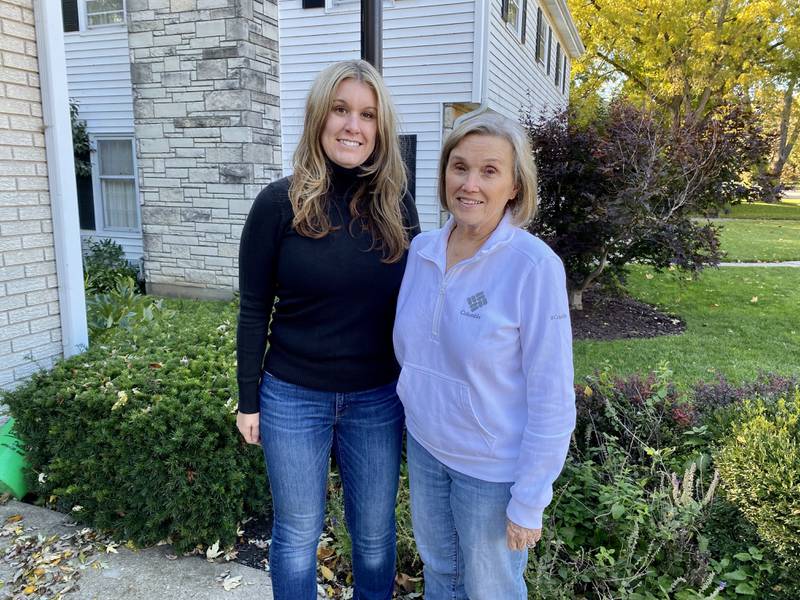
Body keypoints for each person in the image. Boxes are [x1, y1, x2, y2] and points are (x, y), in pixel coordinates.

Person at [236, 60, 420, 600]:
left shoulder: (396, 207)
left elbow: (419, 305)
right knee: (296, 535)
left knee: (373, 537)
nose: (352, 126)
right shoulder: (278, 205)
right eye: (341, 110)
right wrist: (249, 400)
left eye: (367, 114)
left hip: (377, 399)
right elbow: (253, 309)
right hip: (292, 396)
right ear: (319, 117)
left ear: (379, 129)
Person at [393, 112, 575, 600]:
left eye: (490, 171)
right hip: (428, 451)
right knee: (441, 577)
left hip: (491, 472)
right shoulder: (422, 250)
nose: (470, 184)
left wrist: (530, 500)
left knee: (492, 589)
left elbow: (553, 396)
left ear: (514, 186)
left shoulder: (533, 268)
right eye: (459, 167)